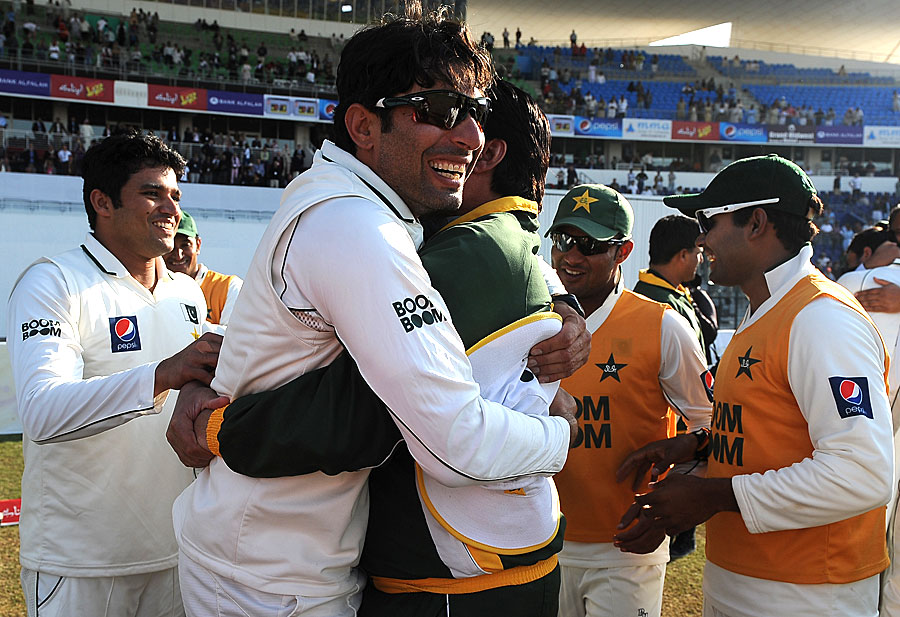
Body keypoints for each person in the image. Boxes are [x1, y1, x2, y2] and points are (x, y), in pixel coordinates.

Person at [168, 10, 580, 617]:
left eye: (475, 112)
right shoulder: (358, 226)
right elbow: (456, 444)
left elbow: (491, 250)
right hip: (272, 576)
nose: (470, 135)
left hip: (277, 554)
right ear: (363, 125)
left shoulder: (355, 204)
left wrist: (562, 303)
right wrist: (561, 434)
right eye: (439, 109)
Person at [615, 154, 894, 617]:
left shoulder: (822, 319)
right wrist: (699, 447)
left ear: (757, 223)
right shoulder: (767, 308)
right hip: (745, 576)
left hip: (806, 593)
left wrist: (712, 496)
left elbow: (862, 473)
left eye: (708, 221)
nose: (701, 239)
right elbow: (770, 430)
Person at [6, 131, 222, 617]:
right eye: (151, 193)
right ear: (102, 202)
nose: (171, 208)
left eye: (175, 195)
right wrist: (162, 374)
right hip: (81, 564)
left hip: (177, 553)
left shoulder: (186, 293)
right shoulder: (53, 282)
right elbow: (42, 412)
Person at [545, 185, 711, 617]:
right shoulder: (527, 317)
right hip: (537, 541)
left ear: (623, 252)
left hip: (625, 548)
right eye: (563, 240)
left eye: (590, 245)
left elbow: (712, 424)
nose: (571, 256)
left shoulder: (662, 326)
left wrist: (668, 509)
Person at [164, 211, 243, 327]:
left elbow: (236, 335)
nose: (178, 255)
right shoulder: (151, 289)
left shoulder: (229, 287)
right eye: (171, 246)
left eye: (185, 245)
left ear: (198, 245)